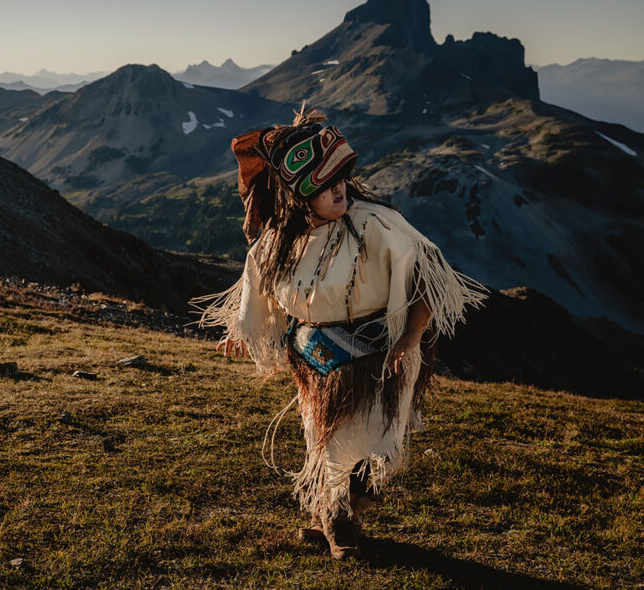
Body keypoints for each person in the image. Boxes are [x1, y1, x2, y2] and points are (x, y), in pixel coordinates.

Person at [195, 103, 485, 560]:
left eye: (342, 178)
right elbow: (261, 294)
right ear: (299, 194)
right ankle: (333, 517)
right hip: (314, 362)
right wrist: (245, 334)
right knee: (323, 439)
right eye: (327, 184)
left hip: (377, 359)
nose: (339, 189)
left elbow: (427, 273)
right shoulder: (277, 244)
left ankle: (341, 519)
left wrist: (412, 336)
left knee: (366, 443)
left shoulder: (375, 224)